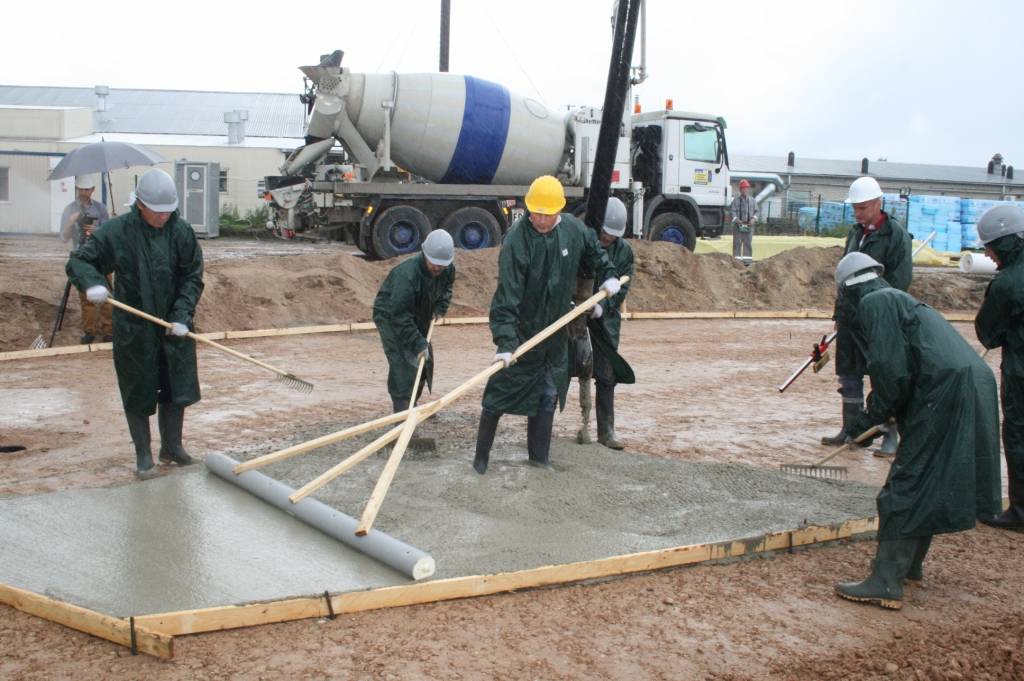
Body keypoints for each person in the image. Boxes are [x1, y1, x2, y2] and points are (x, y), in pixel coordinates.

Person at [832, 252, 1001, 610]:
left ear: (847, 290)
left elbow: (890, 373)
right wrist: (881, 415)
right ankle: (908, 566)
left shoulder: (876, 304)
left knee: (905, 485)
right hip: (968, 387)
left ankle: (885, 581)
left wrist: (865, 421)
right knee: (928, 480)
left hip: (945, 393)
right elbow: (904, 370)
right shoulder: (897, 298)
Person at [472, 176, 621, 474]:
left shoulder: (572, 230)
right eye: (535, 212)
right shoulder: (517, 240)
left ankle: (539, 460)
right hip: (523, 335)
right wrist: (505, 343)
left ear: (558, 211)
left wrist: (608, 274)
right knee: (498, 393)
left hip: (555, 336)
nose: (540, 219)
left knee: (547, 395)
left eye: (546, 213)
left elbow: (595, 250)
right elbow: (507, 297)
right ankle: (480, 460)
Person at [67, 168, 204, 479]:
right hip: (135, 328)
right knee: (138, 390)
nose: (162, 218)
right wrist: (92, 283)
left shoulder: (181, 232)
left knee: (175, 386)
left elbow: (192, 277)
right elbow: (79, 261)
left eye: (168, 211)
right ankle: (143, 455)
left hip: (173, 327)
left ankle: (172, 447)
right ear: (140, 204)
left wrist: (182, 316)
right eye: (157, 212)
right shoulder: (118, 232)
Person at [823, 176, 912, 457]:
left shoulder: (895, 236)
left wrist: (883, 313)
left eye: (862, 208)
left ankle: (888, 435)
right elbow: (845, 276)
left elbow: (900, 280)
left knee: (882, 376)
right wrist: (840, 313)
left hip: (877, 320)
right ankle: (853, 430)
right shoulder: (855, 233)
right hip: (851, 318)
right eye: (855, 209)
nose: (858, 213)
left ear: (877, 203)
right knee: (848, 374)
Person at [974, 204, 1024, 531]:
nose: (988, 255)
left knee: (1019, 435)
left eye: (990, 247)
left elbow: (988, 334)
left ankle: (1020, 511)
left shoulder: (1006, 283)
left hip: (1021, 373)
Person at [372, 229, 455, 413]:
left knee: (425, 360)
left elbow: (446, 289)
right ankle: (401, 414)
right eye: (434, 263)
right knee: (404, 365)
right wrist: (417, 342)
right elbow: (400, 316)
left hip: (419, 312)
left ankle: (411, 404)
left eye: (442, 265)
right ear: (425, 254)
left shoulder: (447, 269)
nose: (437, 268)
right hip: (391, 315)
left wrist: (440, 307)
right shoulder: (407, 275)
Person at [585, 197, 634, 449]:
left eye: (612, 236)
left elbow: (623, 289)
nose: (607, 238)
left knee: (606, 374)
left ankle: (606, 433)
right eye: (604, 232)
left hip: (605, 322)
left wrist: (602, 308)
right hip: (576, 313)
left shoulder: (624, 252)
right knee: (562, 366)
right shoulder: (586, 240)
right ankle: (552, 428)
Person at [60, 175, 113, 344]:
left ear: (92, 190)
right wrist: (71, 222)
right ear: (77, 189)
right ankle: (89, 330)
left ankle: (109, 330)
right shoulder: (69, 210)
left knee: (107, 295)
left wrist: (95, 229)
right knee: (86, 296)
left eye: (87, 189)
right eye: (82, 189)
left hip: (101, 257)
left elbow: (109, 234)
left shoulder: (100, 209)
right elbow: (63, 237)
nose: (84, 192)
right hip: (81, 257)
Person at [730, 179, 757, 263]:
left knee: (747, 244)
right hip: (738, 226)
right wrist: (736, 220)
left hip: (749, 226)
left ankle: (747, 262)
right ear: (740, 190)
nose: (744, 190)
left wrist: (753, 219)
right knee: (737, 244)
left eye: (746, 188)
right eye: (743, 188)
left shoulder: (753, 201)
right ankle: (736, 262)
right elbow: (732, 212)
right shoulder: (735, 201)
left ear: (748, 189)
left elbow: (757, 211)